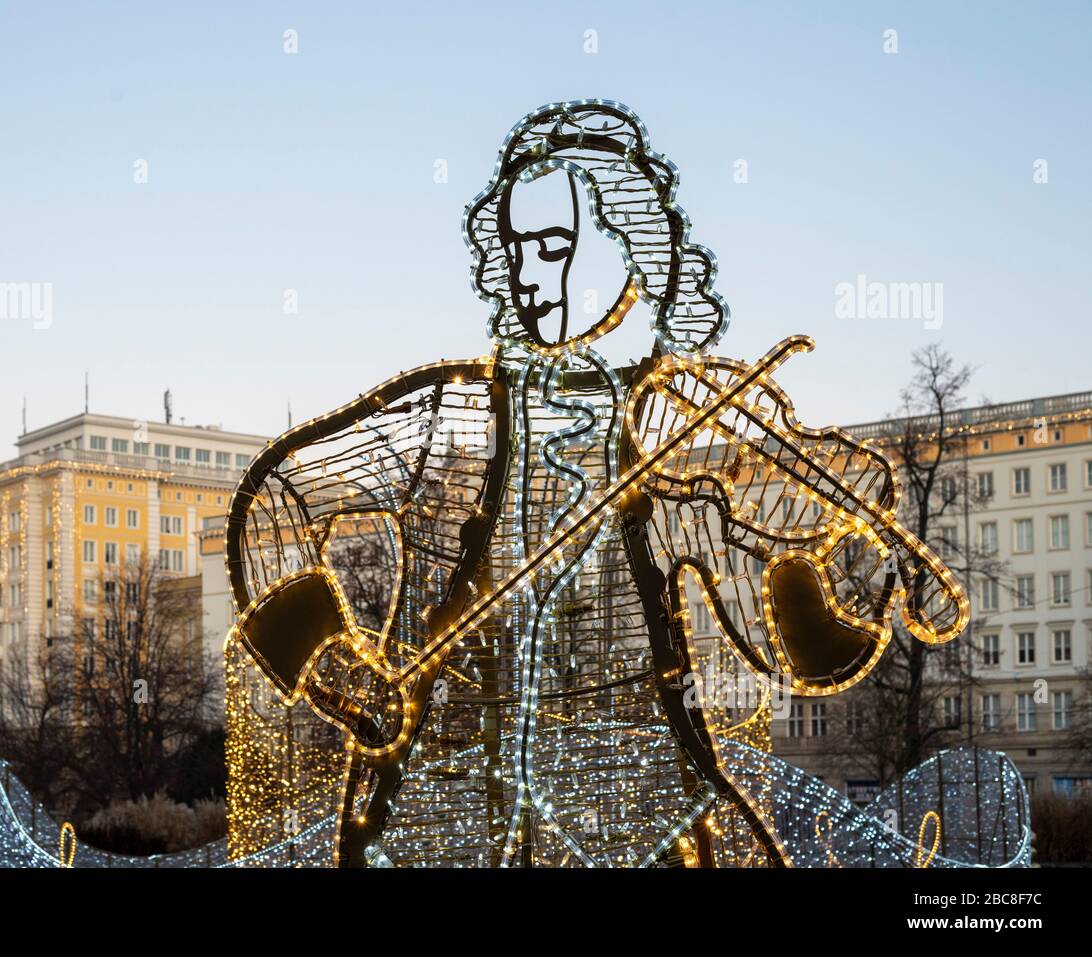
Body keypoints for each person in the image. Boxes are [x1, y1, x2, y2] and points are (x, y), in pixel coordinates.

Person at [225, 100, 967, 867]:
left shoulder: (682, 431)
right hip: (435, 822)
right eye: (516, 251)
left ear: (633, 246)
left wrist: (866, 583)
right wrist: (336, 668)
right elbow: (277, 499)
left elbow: (800, 657)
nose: (527, 277)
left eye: (552, 247)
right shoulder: (453, 412)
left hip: (642, 828)